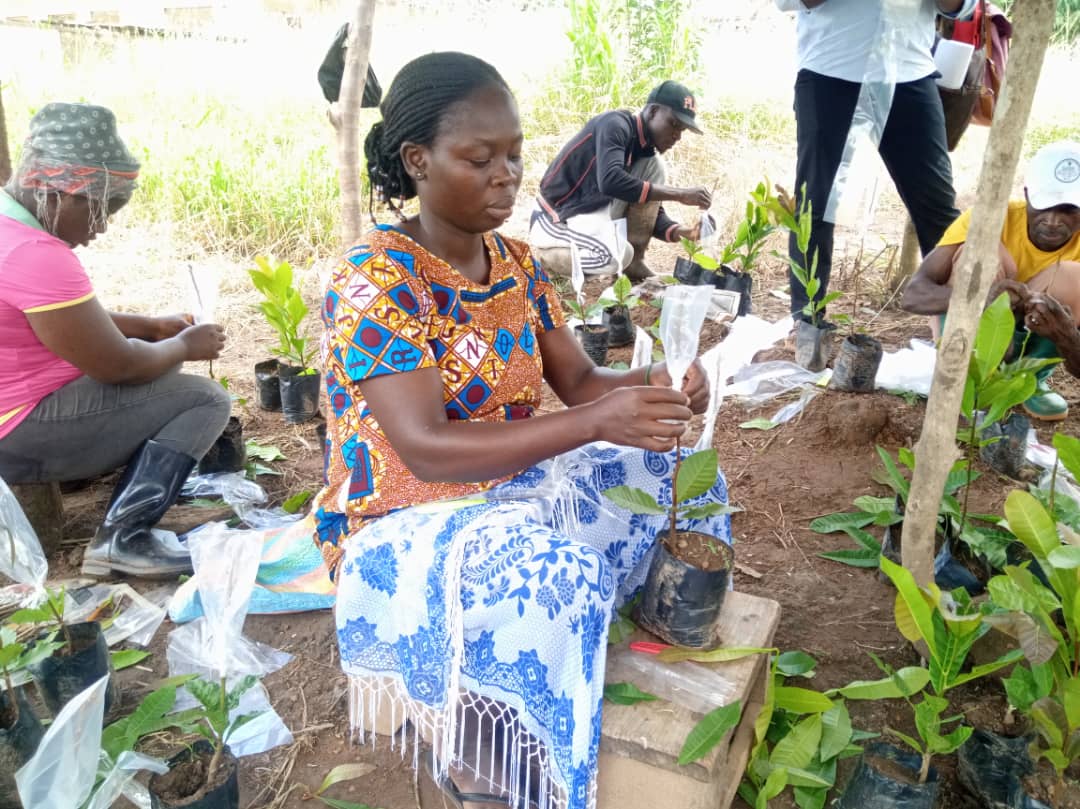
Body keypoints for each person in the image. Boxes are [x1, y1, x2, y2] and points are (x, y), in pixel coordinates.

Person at [317, 52, 731, 809]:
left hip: (508, 481)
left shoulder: (514, 262)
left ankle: (603, 632)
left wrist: (658, 383)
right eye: (481, 158)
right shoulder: (375, 279)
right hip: (403, 515)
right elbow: (427, 448)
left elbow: (578, 384)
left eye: (513, 153)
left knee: (669, 468)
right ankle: (484, 761)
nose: (508, 174)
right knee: (559, 579)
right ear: (418, 161)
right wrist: (592, 422)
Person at [0, 102, 229, 577]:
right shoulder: (36, 254)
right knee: (202, 399)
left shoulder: (9, 227)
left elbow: (53, 317)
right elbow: (117, 366)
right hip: (15, 429)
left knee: (159, 362)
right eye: (100, 211)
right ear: (63, 194)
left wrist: (150, 327)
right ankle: (124, 538)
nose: (100, 229)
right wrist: (186, 346)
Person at [775, 0, 977, 322]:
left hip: (910, 73)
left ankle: (958, 330)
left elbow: (961, 8)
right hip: (832, 70)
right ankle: (807, 324)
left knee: (937, 208)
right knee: (817, 204)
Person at [902, 140, 1080, 421]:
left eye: (1069, 209)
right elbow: (913, 296)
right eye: (1044, 204)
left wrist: (1065, 333)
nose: (1054, 220)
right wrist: (983, 300)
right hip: (970, 332)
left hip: (1030, 341)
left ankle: (1026, 382)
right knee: (982, 251)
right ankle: (966, 370)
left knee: (1075, 277)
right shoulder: (991, 217)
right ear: (1027, 193)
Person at [528, 80, 711, 281]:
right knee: (617, 256)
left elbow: (646, 210)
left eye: (682, 130)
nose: (677, 136)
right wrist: (680, 194)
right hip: (557, 217)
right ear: (652, 111)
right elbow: (610, 180)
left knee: (655, 166)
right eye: (674, 124)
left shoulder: (643, 152)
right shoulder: (615, 124)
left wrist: (683, 232)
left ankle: (633, 264)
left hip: (589, 216)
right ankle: (550, 258)